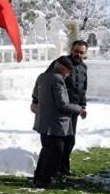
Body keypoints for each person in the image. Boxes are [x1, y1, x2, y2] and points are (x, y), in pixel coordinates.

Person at [33, 40, 88, 176]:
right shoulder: (61, 63)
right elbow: (43, 81)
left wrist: (83, 105)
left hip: (73, 109)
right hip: (58, 109)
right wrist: (35, 100)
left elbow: (83, 88)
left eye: (81, 52)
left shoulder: (84, 68)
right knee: (55, 143)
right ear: (71, 49)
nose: (78, 54)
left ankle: (63, 168)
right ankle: (51, 170)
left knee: (69, 141)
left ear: (85, 53)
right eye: (76, 51)